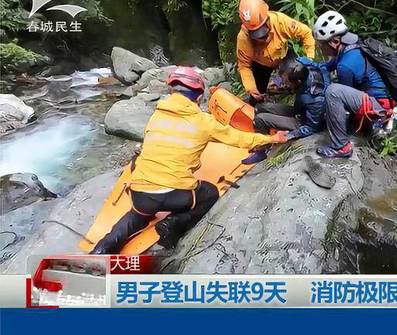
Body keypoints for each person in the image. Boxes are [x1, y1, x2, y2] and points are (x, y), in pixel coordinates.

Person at [90, 67, 288, 254]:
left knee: (137, 215)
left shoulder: (157, 115)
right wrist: (272, 138)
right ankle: (172, 224)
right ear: (199, 98)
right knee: (209, 193)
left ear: (172, 93)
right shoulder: (204, 122)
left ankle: (101, 249)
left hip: (141, 192)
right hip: (173, 194)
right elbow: (239, 138)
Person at [312, 11, 394, 158]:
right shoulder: (353, 45)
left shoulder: (346, 66)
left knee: (333, 91)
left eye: (322, 44)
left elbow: (344, 101)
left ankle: (340, 146)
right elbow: (330, 64)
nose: (320, 48)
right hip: (385, 99)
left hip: (378, 108)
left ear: (334, 42)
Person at [236, 0, 316, 106]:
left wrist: (309, 58)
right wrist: (251, 88)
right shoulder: (243, 39)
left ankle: (301, 103)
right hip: (261, 63)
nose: (261, 38)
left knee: (297, 74)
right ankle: (256, 110)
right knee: (258, 93)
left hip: (283, 54)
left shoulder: (279, 21)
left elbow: (306, 33)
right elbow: (244, 66)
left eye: (264, 33)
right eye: (256, 35)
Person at [253, 57, 330, 139]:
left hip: (305, 121)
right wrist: (277, 81)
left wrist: (289, 135)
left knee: (260, 119)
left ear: (298, 82)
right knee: (259, 108)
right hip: (299, 109)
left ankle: (265, 146)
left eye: (287, 82)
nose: (284, 84)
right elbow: (286, 70)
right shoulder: (302, 63)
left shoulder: (316, 98)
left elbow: (313, 128)